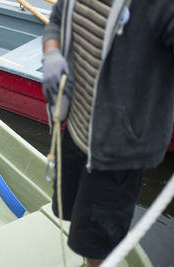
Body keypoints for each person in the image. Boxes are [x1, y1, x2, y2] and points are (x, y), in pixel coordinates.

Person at [42, 0, 174, 266]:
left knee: (97, 247)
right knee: (75, 220)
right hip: (74, 130)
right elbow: (56, 20)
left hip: (116, 154)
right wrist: (51, 53)